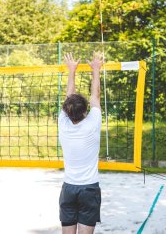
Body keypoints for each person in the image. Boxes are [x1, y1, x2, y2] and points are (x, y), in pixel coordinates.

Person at [58, 52, 103, 234]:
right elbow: (96, 96)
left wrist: (71, 71)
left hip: (69, 189)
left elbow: (69, 97)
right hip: (89, 189)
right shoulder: (93, 123)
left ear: (67, 111)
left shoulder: (63, 123)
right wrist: (96, 69)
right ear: (85, 111)